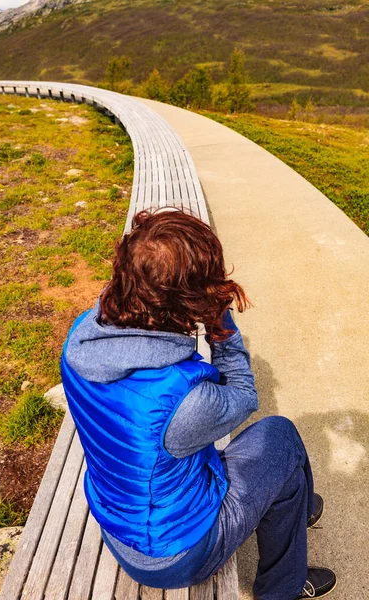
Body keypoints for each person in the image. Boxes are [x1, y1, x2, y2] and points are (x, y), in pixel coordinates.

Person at [60, 208, 337, 600]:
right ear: (187, 300)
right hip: (178, 554)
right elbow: (243, 396)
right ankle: (283, 589)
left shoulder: (80, 341)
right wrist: (220, 327)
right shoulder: (183, 401)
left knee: (285, 476)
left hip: (118, 521)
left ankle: (300, 505)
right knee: (282, 439)